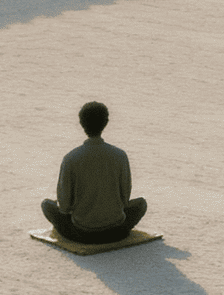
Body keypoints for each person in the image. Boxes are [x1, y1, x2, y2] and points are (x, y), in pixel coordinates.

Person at [43, 101, 147, 241]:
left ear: (81, 123)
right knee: (141, 204)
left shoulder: (71, 158)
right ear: (106, 122)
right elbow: (125, 199)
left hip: (82, 233)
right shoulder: (120, 155)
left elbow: (64, 206)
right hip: (116, 229)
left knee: (47, 205)